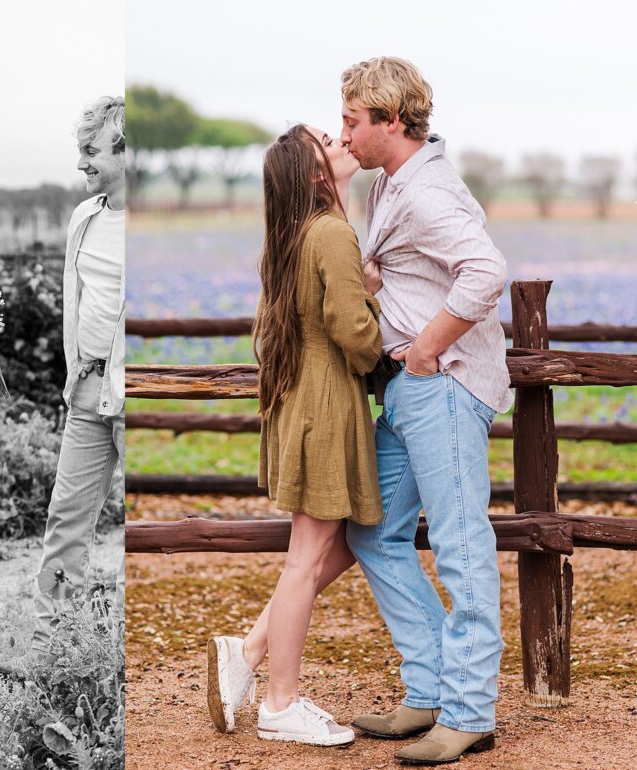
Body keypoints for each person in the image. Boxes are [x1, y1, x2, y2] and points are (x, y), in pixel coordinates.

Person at [340, 57, 511, 765]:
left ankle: (468, 713)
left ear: (391, 119)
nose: (343, 131)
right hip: (414, 391)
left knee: (462, 545)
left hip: (440, 383)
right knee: (373, 531)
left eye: (353, 120)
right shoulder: (390, 184)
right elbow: (407, 270)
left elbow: (487, 270)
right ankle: (430, 689)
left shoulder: (428, 189)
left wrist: (424, 348)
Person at [207, 124, 382, 745]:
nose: (341, 143)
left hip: (298, 396)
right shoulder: (332, 231)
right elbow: (350, 329)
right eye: (326, 144)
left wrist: (361, 287)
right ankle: (280, 705)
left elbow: (322, 305)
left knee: (339, 544)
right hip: (327, 398)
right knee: (305, 561)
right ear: (315, 175)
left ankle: (249, 652)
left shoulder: (293, 236)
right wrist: (379, 331)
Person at [0, 96, 125, 675]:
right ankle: (52, 654)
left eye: (91, 151)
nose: (82, 163)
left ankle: (123, 656)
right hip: (89, 388)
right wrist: (76, 370)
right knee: (65, 520)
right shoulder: (85, 217)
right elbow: (78, 303)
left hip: (133, 389)